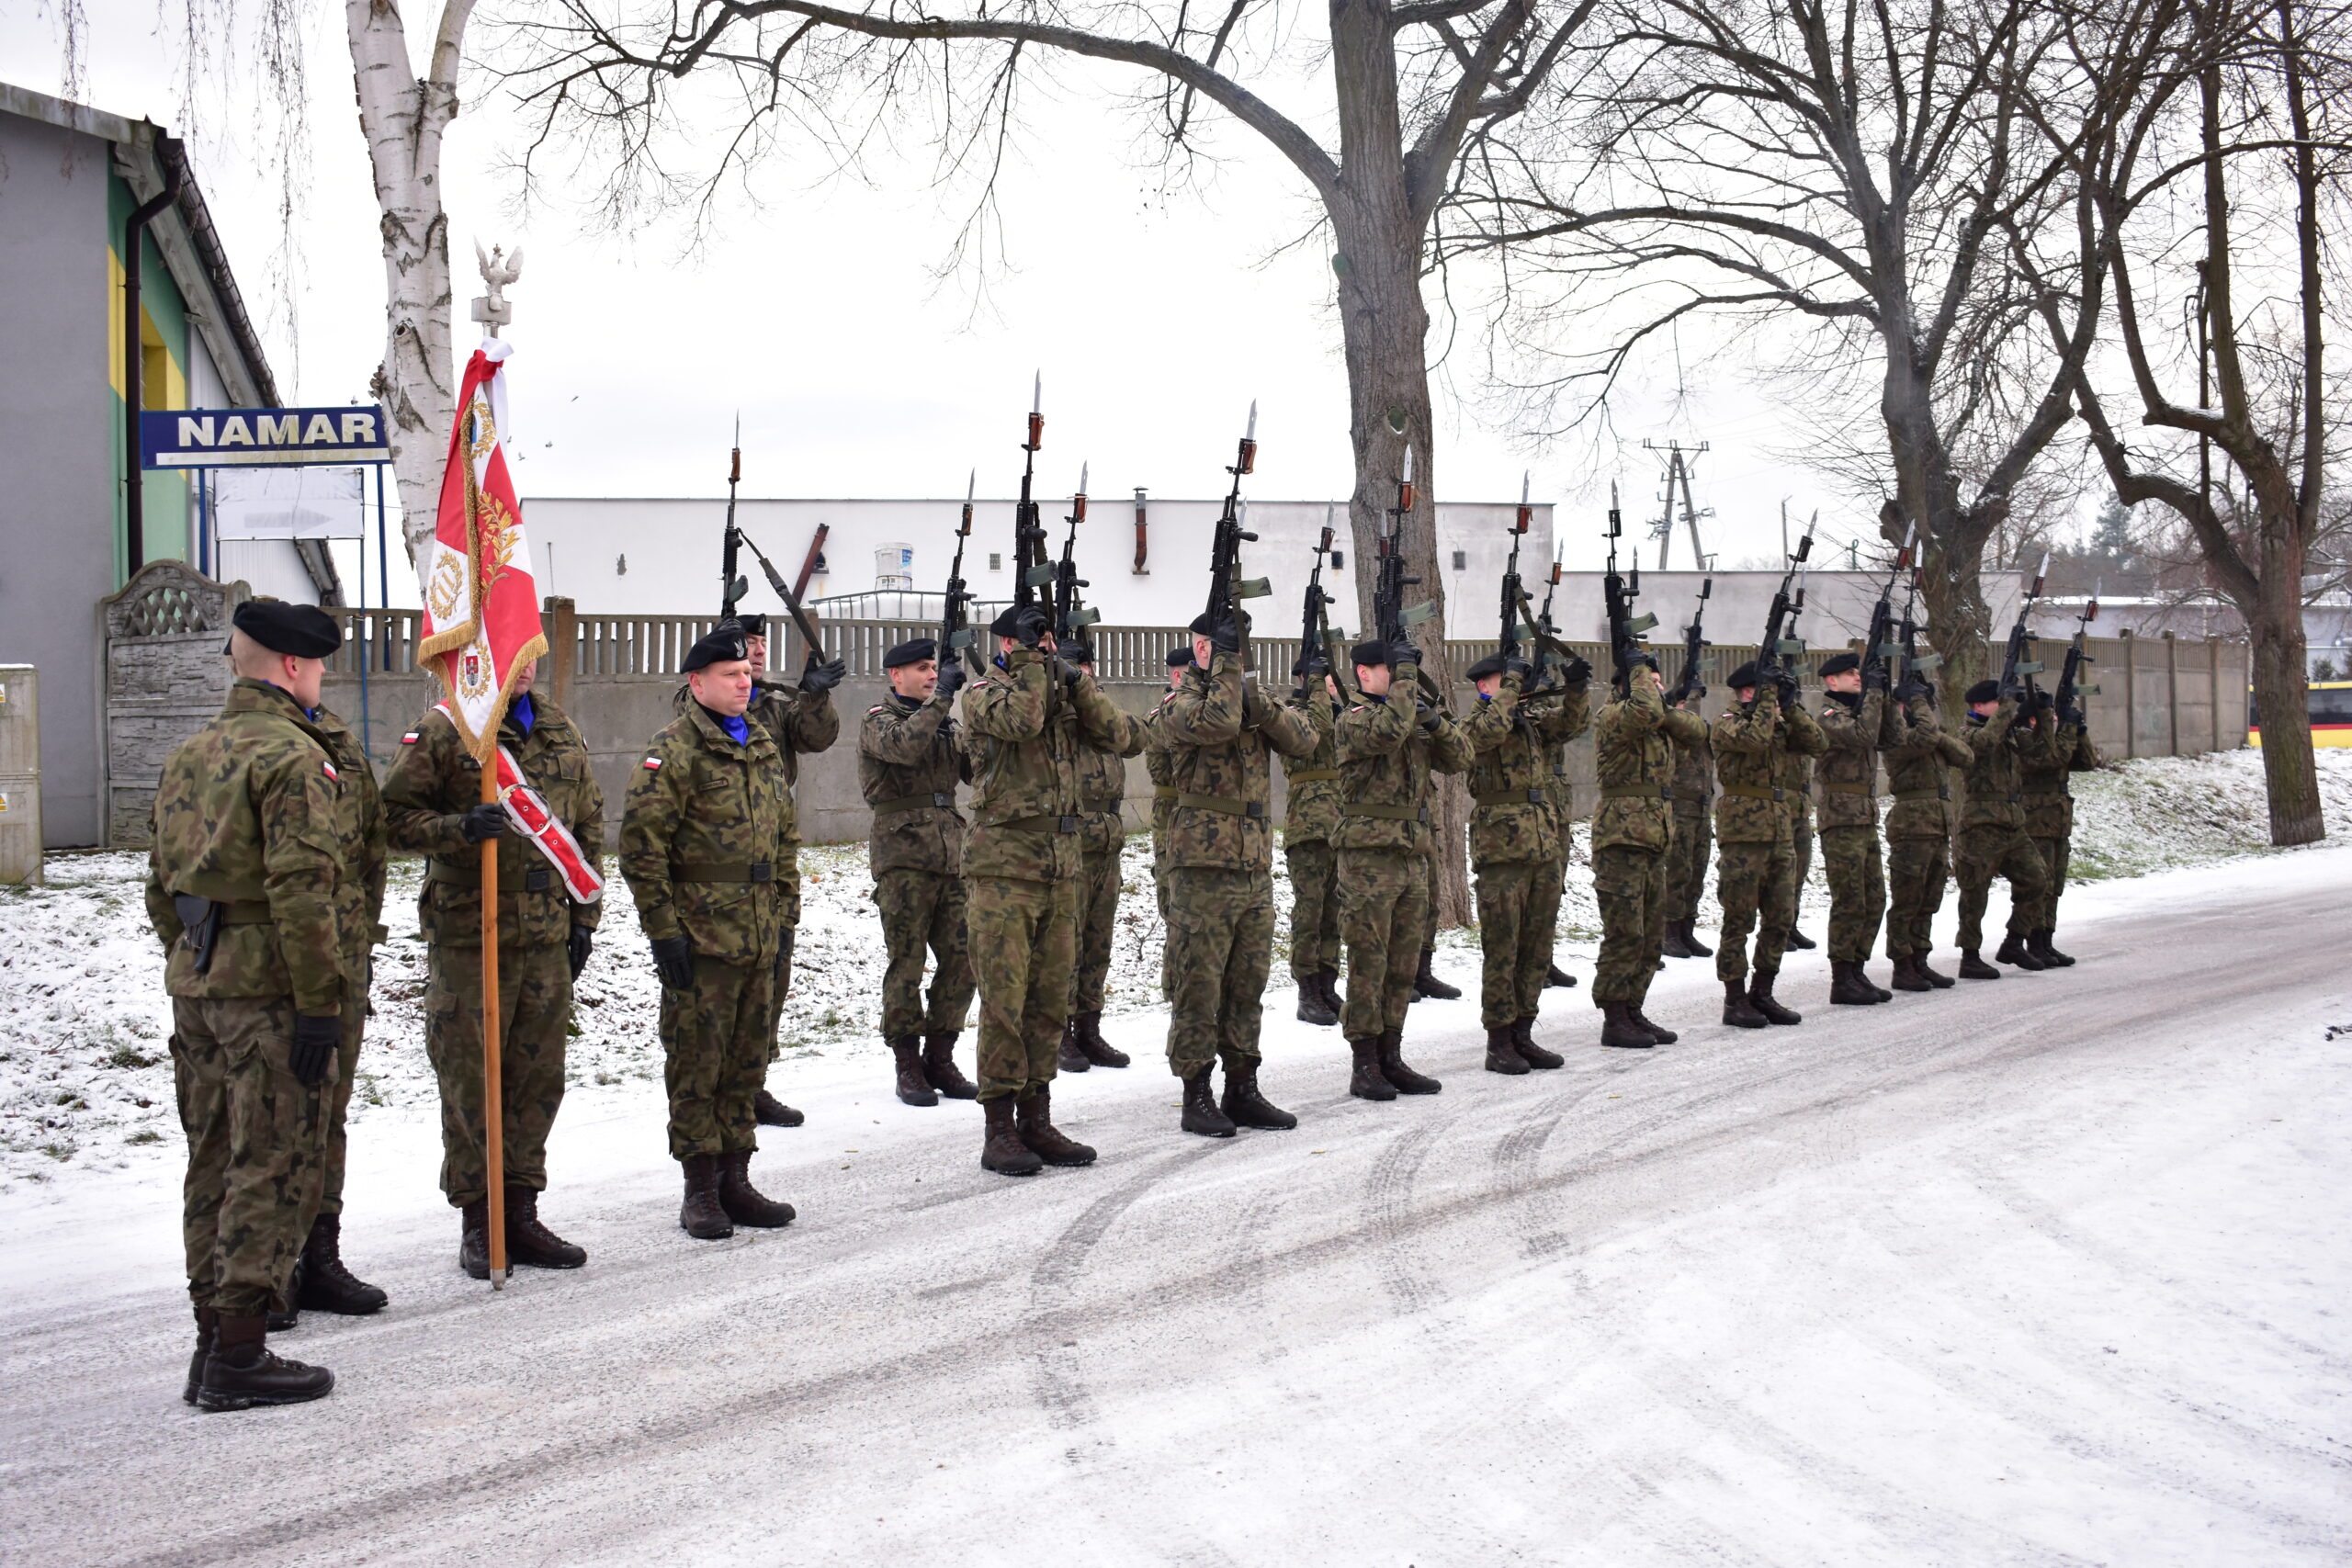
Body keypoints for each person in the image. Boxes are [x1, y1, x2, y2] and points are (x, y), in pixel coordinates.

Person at [143, 599, 353, 1411]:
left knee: (212, 1158)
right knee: (272, 1159)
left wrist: (200, 953)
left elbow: (162, 886)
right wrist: (320, 1004)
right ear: (293, 666)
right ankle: (239, 1351)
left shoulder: (189, 753)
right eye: (319, 664)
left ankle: (211, 1340)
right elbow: (304, 892)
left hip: (198, 984)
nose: (321, 676)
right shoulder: (294, 757)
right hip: (270, 991)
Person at [382, 658, 602, 1277]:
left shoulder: (559, 728)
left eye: (531, 652)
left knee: (537, 1079)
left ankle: (521, 1213)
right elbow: (389, 820)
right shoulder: (446, 729)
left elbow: (587, 822)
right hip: (469, 934)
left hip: (545, 933)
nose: (524, 665)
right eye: (511, 652)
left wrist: (585, 917)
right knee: (472, 1080)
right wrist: (457, 827)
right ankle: (481, 1222)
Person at [623, 625, 800, 1238]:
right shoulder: (674, 750)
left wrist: (785, 912)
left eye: (746, 673)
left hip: (759, 933)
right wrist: (664, 932)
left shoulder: (762, 745)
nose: (744, 683)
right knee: (698, 1064)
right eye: (730, 675)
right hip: (702, 937)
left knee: (747, 1063)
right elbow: (642, 848)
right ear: (697, 683)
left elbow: (785, 837)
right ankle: (699, 1189)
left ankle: (736, 1179)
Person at [962, 604, 1138, 1175]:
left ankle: (1036, 1116)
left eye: (1049, 640)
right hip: (1004, 868)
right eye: (1035, 640)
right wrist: (1031, 666)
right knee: (1005, 1002)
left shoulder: (1061, 693)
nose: (1046, 648)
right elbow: (1021, 722)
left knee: (1048, 1000)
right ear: (1008, 646)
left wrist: (1076, 684)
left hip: (1063, 866)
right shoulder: (983, 693)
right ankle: (998, 1127)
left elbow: (1123, 736)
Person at [1152, 615, 1318, 1134]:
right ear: (1203, 649)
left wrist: (1258, 700)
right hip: (1202, 871)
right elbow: (1217, 724)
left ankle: (1242, 1086)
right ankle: (1196, 1093)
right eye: (1227, 647)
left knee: (1247, 984)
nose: (1238, 656)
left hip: (1253, 866)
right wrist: (1226, 671)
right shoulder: (1180, 702)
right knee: (1199, 986)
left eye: (1240, 648)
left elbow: (1304, 740)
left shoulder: (1248, 699)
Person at [281, 694, 389, 1319]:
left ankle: (319, 1258)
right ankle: (263, 1275)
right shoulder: (246, 746)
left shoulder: (341, 744)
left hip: (342, 957)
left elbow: (372, 849)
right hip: (268, 967)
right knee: (271, 1120)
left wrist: (360, 936)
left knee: (327, 1113)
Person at [1333, 637, 1470, 1099]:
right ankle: (1364, 1063)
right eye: (1392, 671)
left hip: (1412, 856)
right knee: (1369, 963)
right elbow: (1388, 732)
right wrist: (1408, 680)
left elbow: (1461, 757)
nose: (1399, 680)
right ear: (1364, 673)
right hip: (1368, 859)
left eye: (1401, 672)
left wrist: (1434, 719)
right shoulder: (1354, 719)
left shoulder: (1408, 716)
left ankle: (1391, 1055)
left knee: (1403, 965)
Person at [731, 613, 844, 1130]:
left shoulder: (777, 704)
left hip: (774, 853)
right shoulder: (699, 701)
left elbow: (816, 737)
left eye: (762, 642)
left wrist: (813, 696)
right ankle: (720, 1087)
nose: (758, 651)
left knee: (775, 967)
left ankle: (754, 1080)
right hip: (721, 859)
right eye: (747, 642)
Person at [859, 637, 979, 1105]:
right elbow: (904, 748)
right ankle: (907, 1061)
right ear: (896, 675)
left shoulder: (947, 722)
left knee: (964, 957)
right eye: (923, 669)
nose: (932, 675)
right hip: (903, 856)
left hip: (951, 855)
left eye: (935, 668)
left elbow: (975, 771)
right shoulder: (878, 719)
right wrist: (944, 698)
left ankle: (941, 1054)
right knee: (906, 962)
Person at [1460, 649, 1589, 1071]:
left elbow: (1571, 724)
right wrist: (1512, 688)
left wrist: (1576, 688)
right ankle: (1499, 1039)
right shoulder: (1473, 723)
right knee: (1503, 947)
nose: (1516, 686)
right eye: (1506, 680)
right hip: (1501, 849)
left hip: (1543, 844)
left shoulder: (1529, 722)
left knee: (1537, 946)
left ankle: (1523, 1031)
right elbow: (1488, 733)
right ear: (1484, 686)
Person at [1589, 655, 1709, 1046]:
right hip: (1621, 837)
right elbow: (1642, 711)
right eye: (1650, 681)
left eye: (1659, 681)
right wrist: (1638, 671)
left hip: (1655, 836)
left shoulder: (1658, 722)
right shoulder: (1612, 715)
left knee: (1651, 934)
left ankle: (1633, 1008)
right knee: (1624, 932)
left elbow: (1696, 731)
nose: (1658, 687)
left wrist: (1662, 704)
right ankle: (1614, 1016)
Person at [1711, 660, 1826, 1027]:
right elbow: (1755, 740)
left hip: (1780, 829)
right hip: (1743, 833)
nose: (1772, 702)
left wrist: (1791, 706)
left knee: (1780, 916)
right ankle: (1734, 998)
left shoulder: (1777, 723)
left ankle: (1763, 991)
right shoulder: (1727, 723)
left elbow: (1818, 743)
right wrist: (1767, 703)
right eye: (1766, 693)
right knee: (1739, 917)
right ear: (1749, 692)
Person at [1059, 637, 1145, 1072]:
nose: (1085, 673)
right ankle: (1059, 1031)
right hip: (1073, 840)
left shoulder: (1102, 708)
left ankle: (1088, 1027)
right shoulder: (1059, 711)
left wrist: (1091, 697)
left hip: (1108, 841)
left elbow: (1135, 739)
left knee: (1098, 943)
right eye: (1076, 666)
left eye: (1087, 665)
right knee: (1066, 944)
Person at [1881, 671, 1974, 990]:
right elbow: (1924, 737)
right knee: (1907, 899)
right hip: (1912, 826)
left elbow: (1965, 756)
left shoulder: (1931, 736)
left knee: (1929, 898)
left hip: (1937, 826)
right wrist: (1918, 703)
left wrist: (1934, 727)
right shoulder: (1898, 738)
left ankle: (1920, 959)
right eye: (1917, 704)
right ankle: (1902, 964)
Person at [1953, 678, 2052, 978]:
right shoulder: (1967, 734)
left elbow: (2042, 750)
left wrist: (2042, 711)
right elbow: (1985, 744)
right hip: (1980, 825)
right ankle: (1970, 956)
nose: (2004, 707)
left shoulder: (2009, 734)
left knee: (2037, 879)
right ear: (1979, 706)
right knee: (1975, 892)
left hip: (2012, 824)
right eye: (1998, 702)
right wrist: (2008, 707)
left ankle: (2014, 941)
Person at [1813, 651, 1894, 1005]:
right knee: (1849, 900)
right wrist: (1872, 695)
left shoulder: (1862, 711)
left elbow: (1889, 737)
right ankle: (1841, 977)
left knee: (1874, 899)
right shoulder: (1829, 717)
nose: (1857, 677)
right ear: (1832, 681)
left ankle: (1857, 969)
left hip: (1864, 816)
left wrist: (1883, 695)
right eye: (1850, 673)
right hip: (1841, 818)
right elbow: (1863, 735)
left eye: (1859, 672)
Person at [1280, 649, 1347, 1026]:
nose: (1330, 686)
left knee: (1334, 913)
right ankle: (1307, 990)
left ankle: (1327, 983)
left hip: (1339, 826)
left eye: (1331, 679)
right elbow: (1313, 732)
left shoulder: (1342, 714)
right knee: (1309, 912)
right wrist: (1318, 688)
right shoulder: (1292, 713)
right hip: (1307, 827)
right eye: (1323, 679)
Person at [2018, 688, 2100, 965]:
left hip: (2058, 821)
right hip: (2035, 821)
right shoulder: (2025, 739)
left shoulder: (2054, 741)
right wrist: (2067, 729)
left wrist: (2080, 732)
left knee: (2055, 886)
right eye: (2050, 715)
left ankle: (2047, 940)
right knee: (2041, 885)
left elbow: (2087, 762)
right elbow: (2052, 759)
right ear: (2033, 720)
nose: (2054, 719)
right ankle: (2034, 940)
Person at [1142, 647, 1190, 999]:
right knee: (1174, 903)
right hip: (1171, 814)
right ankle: (1174, 987)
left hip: (1196, 816)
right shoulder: (1162, 715)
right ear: (1177, 675)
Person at [1659, 688, 1715, 960]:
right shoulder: (1672, 728)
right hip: (1679, 808)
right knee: (1677, 872)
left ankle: (1686, 928)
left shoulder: (1702, 728)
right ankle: (1669, 931)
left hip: (1702, 809)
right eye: (1683, 703)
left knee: (1696, 872)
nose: (1689, 708)